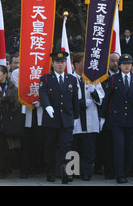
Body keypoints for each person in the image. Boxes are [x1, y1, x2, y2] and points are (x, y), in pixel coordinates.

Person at [100, 54, 133, 184]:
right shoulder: (113, 80)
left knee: (129, 147)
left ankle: (125, 172)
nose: (127, 66)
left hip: (132, 119)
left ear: (132, 65)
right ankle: (119, 174)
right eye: (124, 64)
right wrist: (103, 117)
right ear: (120, 66)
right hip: (117, 119)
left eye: (129, 64)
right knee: (119, 146)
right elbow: (107, 99)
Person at [39, 50, 79, 184]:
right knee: (50, 146)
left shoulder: (71, 79)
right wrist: (47, 106)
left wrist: (76, 118)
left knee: (66, 146)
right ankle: (50, 172)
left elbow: (74, 100)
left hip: (67, 119)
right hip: (51, 119)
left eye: (62, 62)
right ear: (53, 63)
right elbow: (43, 94)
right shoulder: (45, 78)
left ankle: (67, 172)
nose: (60, 65)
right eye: (57, 62)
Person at [71, 52, 104, 180]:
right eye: (83, 62)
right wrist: (81, 102)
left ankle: (86, 172)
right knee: (74, 146)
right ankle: (72, 171)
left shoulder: (93, 79)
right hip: (76, 119)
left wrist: (94, 92)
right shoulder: (70, 79)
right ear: (76, 64)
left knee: (89, 148)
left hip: (90, 118)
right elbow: (67, 99)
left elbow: (101, 98)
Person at [0, 65, 22, 179]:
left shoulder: (12, 87)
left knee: (7, 147)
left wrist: (8, 100)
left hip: (8, 122)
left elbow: (16, 105)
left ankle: (5, 169)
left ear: (5, 74)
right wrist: (0, 101)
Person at [95, 52, 120, 179]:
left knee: (119, 145)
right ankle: (108, 170)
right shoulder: (102, 78)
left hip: (121, 118)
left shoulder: (124, 77)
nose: (115, 64)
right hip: (106, 117)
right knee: (106, 145)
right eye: (112, 61)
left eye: (117, 61)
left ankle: (119, 170)